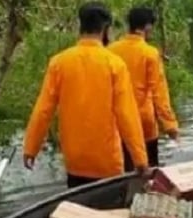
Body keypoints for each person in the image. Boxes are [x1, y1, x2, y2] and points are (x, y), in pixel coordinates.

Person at [22, 2, 149, 188]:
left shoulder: (59, 62)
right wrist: (140, 159)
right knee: (107, 214)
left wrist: (30, 148)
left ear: (80, 25)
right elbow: (126, 115)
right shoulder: (114, 64)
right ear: (106, 29)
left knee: (76, 211)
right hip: (107, 162)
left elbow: (43, 110)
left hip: (75, 161)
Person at [109, 6, 179, 170]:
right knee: (149, 171)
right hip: (143, 123)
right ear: (147, 27)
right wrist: (170, 125)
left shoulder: (111, 50)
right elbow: (159, 93)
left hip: (118, 123)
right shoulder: (150, 53)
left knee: (124, 170)